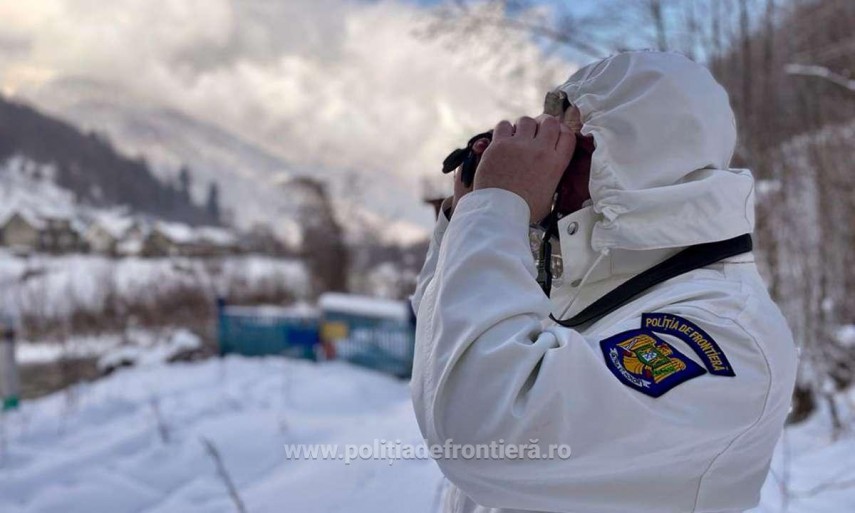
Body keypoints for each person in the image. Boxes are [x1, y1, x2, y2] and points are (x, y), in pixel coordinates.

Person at [410, 51, 797, 513]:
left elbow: (483, 432)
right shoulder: (598, 278)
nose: (550, 162)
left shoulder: (729, 333)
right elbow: (445, 356)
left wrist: (498, 208)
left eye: (570, 141)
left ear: (632, 159)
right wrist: (468, 218)